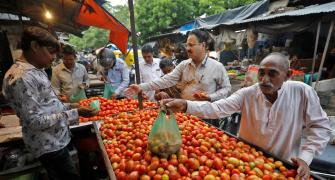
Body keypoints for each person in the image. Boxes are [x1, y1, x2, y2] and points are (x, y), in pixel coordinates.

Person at [161, 52, 331, 179]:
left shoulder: (302, 92)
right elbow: (217, 108)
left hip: (285, 167)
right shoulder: (247, 93)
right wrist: (185, 105)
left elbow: (321, 127)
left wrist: (305, 157)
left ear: (287, 76)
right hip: (245, 163)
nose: (264, 79)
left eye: (272, 73)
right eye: (261, 73)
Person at [2, 26, 98, 180]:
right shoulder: (23, 78)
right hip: (49, 145)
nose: (54, 57)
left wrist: (72, 106)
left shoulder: (35, 70)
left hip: (55, 140)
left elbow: (47, 105)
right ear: (34, 46)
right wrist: (75, 113)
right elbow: (36, 121)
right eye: (50, 51)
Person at [126, 29, 231, 102]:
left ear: (203, 45)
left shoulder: (217, 67)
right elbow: (165, 80)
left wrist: (210, 97)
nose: (187, 48)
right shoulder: (184, 65)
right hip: (187, 114)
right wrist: (140, 87)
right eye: (187, 45)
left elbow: (226, 89)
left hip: (208, 114)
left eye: (191, 45)